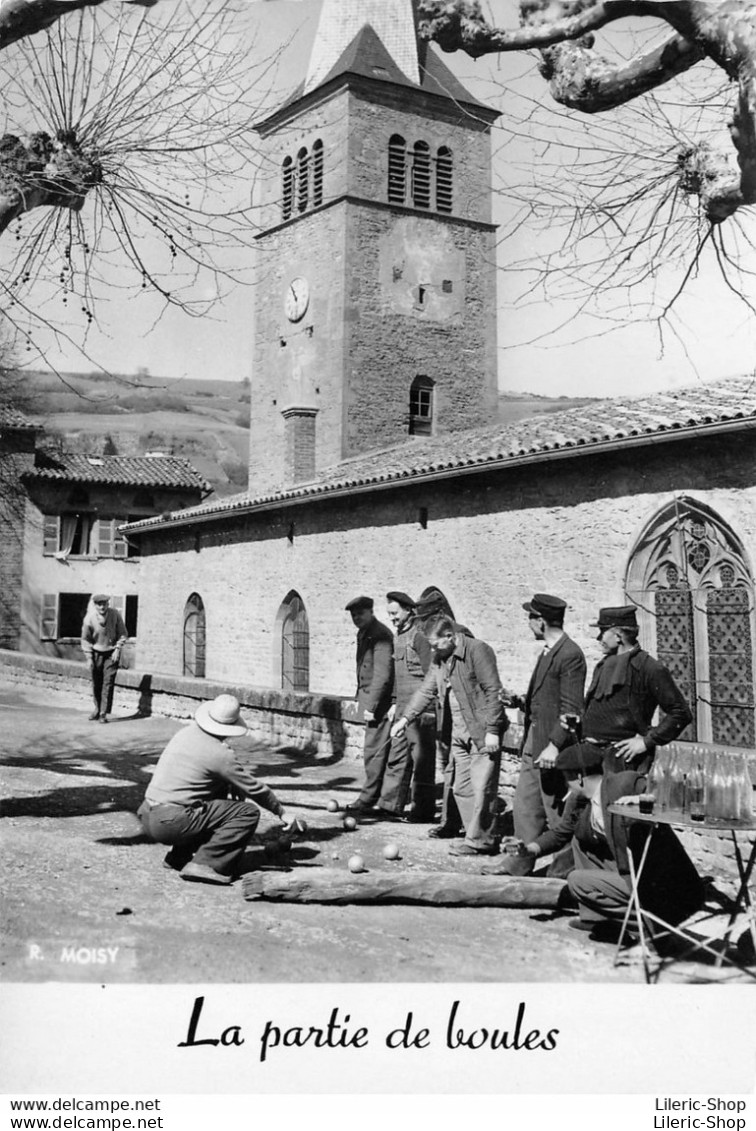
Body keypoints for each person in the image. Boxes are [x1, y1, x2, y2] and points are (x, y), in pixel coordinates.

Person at [509, 745, 704, 943]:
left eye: (566, 778)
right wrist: (528, 849)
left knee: (577, 881)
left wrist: (645, 798)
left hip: (666, 885)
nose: (566, 785)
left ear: (579, 777)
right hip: (633, 875)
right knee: (580, 838)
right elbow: (561, 833)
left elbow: (678, 795)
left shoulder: (625, 783)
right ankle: (601, 921)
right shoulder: (582, 803)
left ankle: (653, 928)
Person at [137, 693, 291, 885]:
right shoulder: (220, 753)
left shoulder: (185, 733)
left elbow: (198, 777)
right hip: (170, 823)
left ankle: (178, 857)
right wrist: (282, 813)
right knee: (247, 812)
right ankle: (207, 865)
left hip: (147, 814)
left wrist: (227, 784)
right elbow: (255, 789)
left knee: (213, 796)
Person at [483, 593, 586, 877]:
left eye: (530, 617)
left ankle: (565, 871)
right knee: (525, 806)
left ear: (540, 621)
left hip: (552, 748)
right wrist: (518, 701)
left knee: (557, 814)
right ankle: (518, 862)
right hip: (533, 739)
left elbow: (571, 710)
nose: (528, 623)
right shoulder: (548, 651)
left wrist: (554, 745)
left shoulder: (570, 655)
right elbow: (546, 699)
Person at [392, 614, 507, 856]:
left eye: (436, 644)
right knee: (461, 787)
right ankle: (473, 835)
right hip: (457, 731)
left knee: (482, 788)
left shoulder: (478, 651)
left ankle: (481, 841)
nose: (433, 650)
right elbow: (426, 690)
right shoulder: (440, 658)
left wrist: (493, 731)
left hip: (481, 730)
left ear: (451, 637)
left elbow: (493, 690)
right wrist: (405, 719)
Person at [559, 605, 692, 777]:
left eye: (603, 632)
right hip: (591, 754)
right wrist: (578, 722)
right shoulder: (604, 665)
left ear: (618, 636)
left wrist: (646, 742)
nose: (599, 637)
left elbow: (681, 713)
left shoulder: (648, 668)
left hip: (622, 760)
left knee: (616, 803)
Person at [414, 587, 471, 837]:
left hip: (465, 717)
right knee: (449, 767)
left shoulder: (461, 637)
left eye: (426, 619)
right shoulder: (437, 641)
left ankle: (470, 827)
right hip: (445, 714)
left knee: (464, 773)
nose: (423, 625)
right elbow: (430, 683)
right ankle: (450, 822)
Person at [384, 590, 436, 822]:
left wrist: (428, 710)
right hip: (402, 708)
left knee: (422, 761)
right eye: (390, 614)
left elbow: (431, 676)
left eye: (395, 613)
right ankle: (389, 805)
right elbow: (396, 676)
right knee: (396, 756)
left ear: (408, 611)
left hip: (420, 709)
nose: (392, 618)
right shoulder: (398, 637)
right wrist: (395, 703)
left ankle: (422, 811)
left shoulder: (420, 638)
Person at [345, 595, 398, 817]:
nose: (357, 618)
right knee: (376, 751)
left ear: (370, 612)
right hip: (371, 699)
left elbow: (382, 675)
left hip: (381, 703)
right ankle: (377, 797)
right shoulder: (365, 633)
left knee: (373, 752)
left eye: (360, 613)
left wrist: (372, 705)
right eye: (353, 615)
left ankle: (369, 798)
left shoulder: (380, 635)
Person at [80, 594, 127, 724]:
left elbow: (123, 634)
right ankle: (97, 707)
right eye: (99, 604)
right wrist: (89, 658)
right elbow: (85, 639)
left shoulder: (115, 615)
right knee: (97, 682)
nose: (102, 607)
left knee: (108, 682)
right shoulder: (89, 619)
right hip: (96, 653)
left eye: (104, 604)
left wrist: (118, 648)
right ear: (95, 605)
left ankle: (103, 712)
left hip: (111, 653)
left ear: (108, 604)